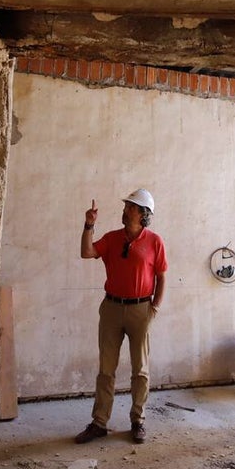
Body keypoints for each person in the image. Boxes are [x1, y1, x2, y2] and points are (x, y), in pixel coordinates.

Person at [74, 189, 168, 445]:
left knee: (140, 370)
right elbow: (87, 252)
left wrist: (154, 308)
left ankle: (138, 420)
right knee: (106, 369)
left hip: (141, 309)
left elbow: (161, 276)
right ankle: (99, 423)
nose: (125, 210)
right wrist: (89, 225)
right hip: (112, 308)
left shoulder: (155, 241)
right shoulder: (112, 238)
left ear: (143, 214)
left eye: (131, 207)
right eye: (126, 205)